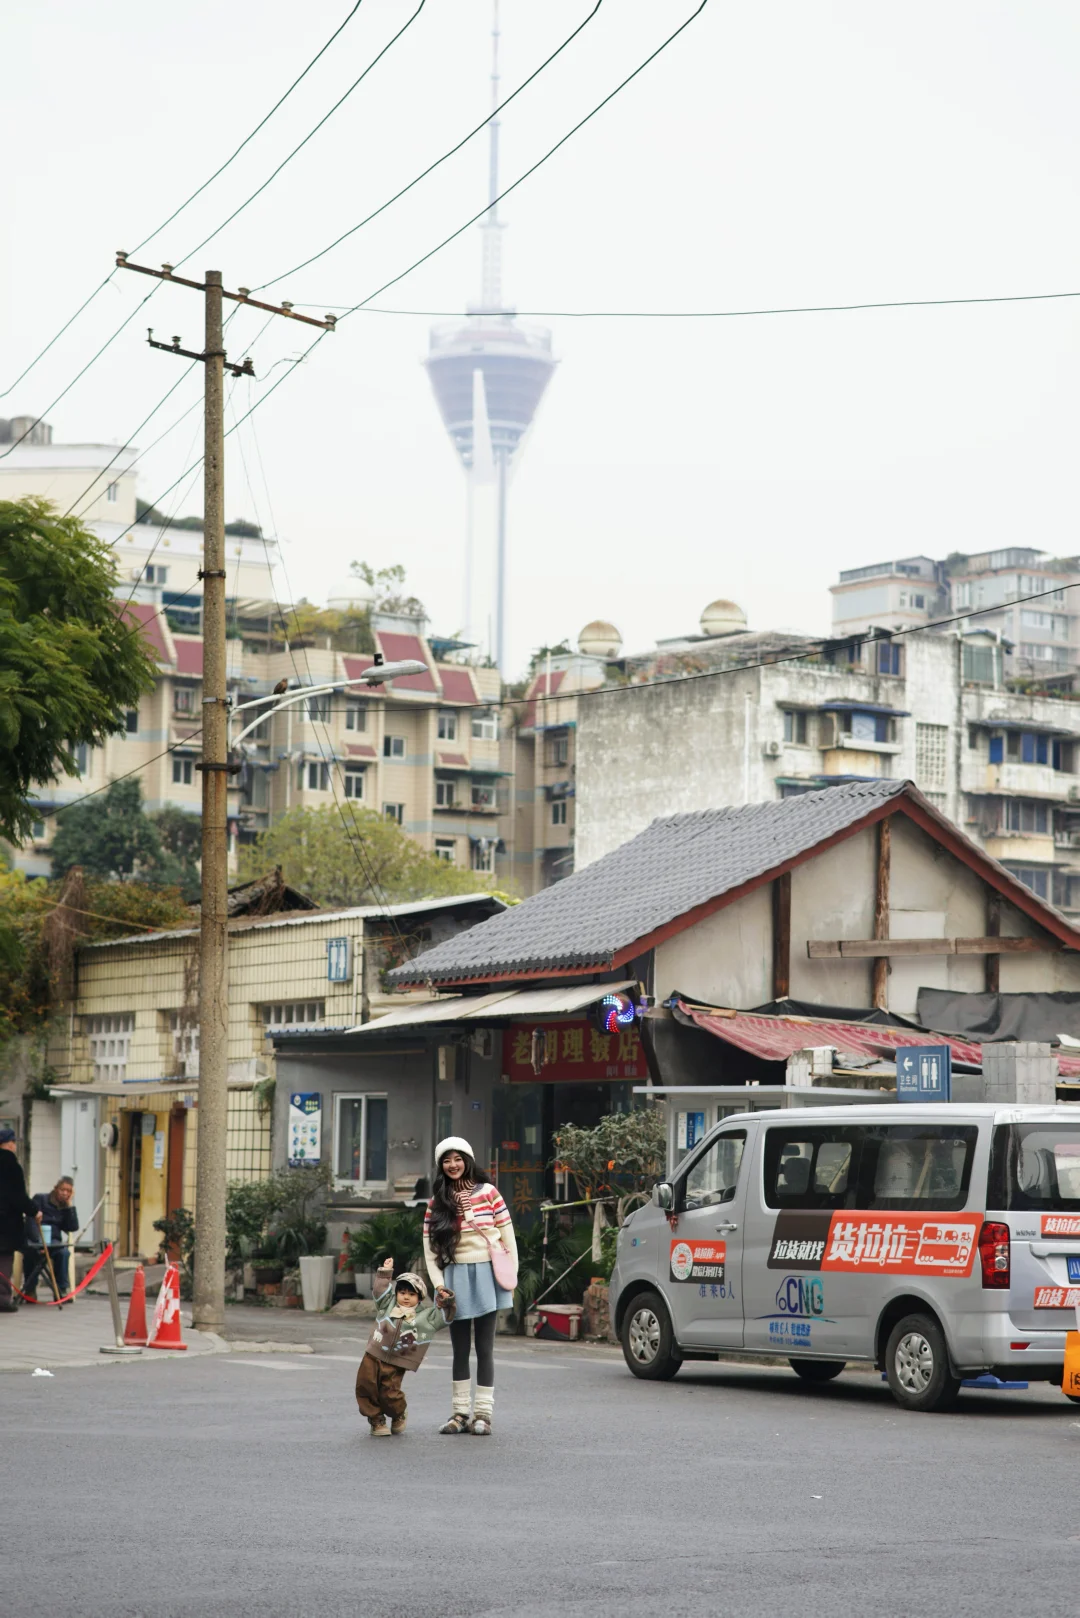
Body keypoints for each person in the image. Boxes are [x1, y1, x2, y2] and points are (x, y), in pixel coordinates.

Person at [423, 1136, 518, 1437]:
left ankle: (483, 1416)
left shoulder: (489, 1193)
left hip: (487, 1274)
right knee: (459, 1350)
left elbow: (507, 1236)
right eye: (446, 1160)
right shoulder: (437, 1202)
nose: (453, 1165)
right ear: (441, 1166)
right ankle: (459, 1414)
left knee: (485, 1348)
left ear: (468, 1159)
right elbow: (429, 1249)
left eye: (458, 1158)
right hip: (454, 1278)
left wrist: (510, 1277)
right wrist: (439, 1286)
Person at [355, 1257, 455, 1437]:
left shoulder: (425, 1316)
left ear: (420, 1297)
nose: (406, 1296)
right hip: (373, 1353)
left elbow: (444, 1318)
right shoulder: (387, 1304)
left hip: (398, 1361)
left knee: (390, 1394)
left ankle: (398, 1413)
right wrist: (385, 1273)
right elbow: (379, 1291)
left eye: (411, 1293)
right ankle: (376, 1419)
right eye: (402, 1292)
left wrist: (445, 1302)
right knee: (365, 1385)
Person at [0, 1128, 41, 1312]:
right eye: (14, 1142)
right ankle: (2, 1299)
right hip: (5, 1223)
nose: (15, 1146)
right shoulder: (11, 1165)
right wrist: (33, 1210)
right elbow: (18, 1196)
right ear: (9, 1143)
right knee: (4, 1259)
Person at [23, 1177, 78, 1301]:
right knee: (31, 1253)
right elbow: (30, 1220)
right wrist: (38, 1243)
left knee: (63, 1253)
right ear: (56, 1189)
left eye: (68, 1191)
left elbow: (72, 1227)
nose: (65, 1193)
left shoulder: (65, 1207)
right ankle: (30, 1289)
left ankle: (61, 1290)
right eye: (62, 1190)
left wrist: (69, 1206)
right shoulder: (41, 1199)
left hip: (54, 1242)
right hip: (36, 1239)